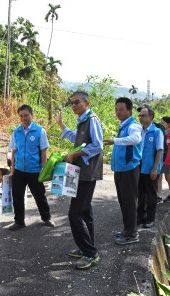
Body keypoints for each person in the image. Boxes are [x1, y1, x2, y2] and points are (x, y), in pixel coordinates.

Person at [56, 90, 103, 269]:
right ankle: (87, 249)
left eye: (77, 102)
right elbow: (78, 139)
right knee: (84, 212)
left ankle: (90, 253)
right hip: (82, 171)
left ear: (87, 103)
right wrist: (62, 126)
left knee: (74, 213)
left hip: (88, 172)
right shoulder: (82, 120)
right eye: (72, 103)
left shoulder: (92, 120)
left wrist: (75, 153)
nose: (73, 105)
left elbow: (97, 145)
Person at [8, 104, 54, 231]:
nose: (24, 118)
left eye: (26, 115)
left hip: (34, 170)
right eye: (21, 116)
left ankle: (46, 218)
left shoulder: (40, 131)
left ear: (31, 115)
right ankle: (19, 221)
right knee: (17, 196)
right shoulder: (16, 131)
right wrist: (12, 168)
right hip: (19, 170)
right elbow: (13, 151)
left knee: (39, 195)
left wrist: (44, 170)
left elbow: (43, 152)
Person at [104, 97, 142, 245]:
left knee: (129, 202)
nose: (118, 112)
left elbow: (135, 139)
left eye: (121, 109)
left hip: (129, 169)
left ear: (129, 111)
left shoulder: (133, 126)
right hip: (120, 169)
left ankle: (132, 234)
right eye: (116, 109)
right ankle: (127, 228)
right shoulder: (122, 125)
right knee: (123, 201)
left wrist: (115, 140)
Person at [136, 104, 163, 229]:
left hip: (150, 167)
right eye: (139, 115)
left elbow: (159, 151)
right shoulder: (138, 130)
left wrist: (154, 168)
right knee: (140, 194)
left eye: (143, 115)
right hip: (138, 166)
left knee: (151, 194)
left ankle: (150, 218)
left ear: (151, 117)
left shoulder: (157, 132)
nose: (140, 118)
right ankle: (140, 217)